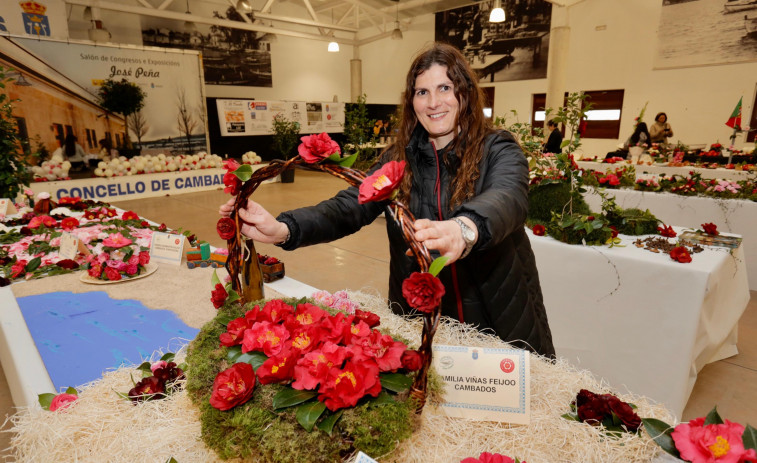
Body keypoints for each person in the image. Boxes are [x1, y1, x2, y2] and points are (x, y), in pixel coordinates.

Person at [219, 42, 555, 358]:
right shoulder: (398, 160)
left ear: (464, 93)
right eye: (422, 92)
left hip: (499, 317)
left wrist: (465, 228)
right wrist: (283, 228)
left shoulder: (498, 147)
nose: (434, 102)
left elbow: (508, 196)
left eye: (445, 88)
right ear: (412, 101)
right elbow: (349, 206)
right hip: (420, 320)